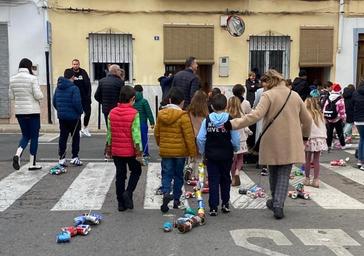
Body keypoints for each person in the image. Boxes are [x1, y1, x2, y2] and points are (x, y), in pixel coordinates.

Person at [224, 69, 312, 219]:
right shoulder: (295, 95)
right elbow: (308, 120)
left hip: (272, 140)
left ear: (270, 81)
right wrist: (304, 137)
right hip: (291, 140)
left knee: (273, 171)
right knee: (284, 172)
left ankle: (275, 200)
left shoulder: (268, 95)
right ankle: (278, 204)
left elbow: (254, 116)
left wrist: (232, 124)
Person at [154, 87, 197, 213]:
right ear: (182, 102)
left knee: (166, 174)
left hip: (166, 152)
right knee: (178, 176)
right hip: (180, 153)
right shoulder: (183, 116)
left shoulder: (161, 114)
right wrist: (192, 152)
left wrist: (161, 144)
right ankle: (177, 200)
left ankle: (166, 192)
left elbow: (157, 133)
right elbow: (189, 136)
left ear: (170, 100)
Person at [197, 94, 240, 216]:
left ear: (211, 106)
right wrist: (235, 149)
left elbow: (200, 138)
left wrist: (203, 151)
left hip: (211, 155)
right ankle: (225, 203)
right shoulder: (230, 119)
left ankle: (213, 206)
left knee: (213, 179)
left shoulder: (207, 120)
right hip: (226, 154)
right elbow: (236, 138)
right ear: (226, 106)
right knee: (225, 178)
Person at [106, 85, 143, 211]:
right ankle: (128, 192)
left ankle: (120, 203)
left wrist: (108, 149)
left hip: (117, 151)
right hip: (131, 151)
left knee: (120, 175)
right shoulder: (134, 113)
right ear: (132, 99)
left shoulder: (112, 112)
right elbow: (136, 135)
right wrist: (139, 152)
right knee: (136, 171)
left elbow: (109, 133)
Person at [9, 58, 43, 170]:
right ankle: (32, 163)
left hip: (20, 112)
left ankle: (17, 155)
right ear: (28, 66)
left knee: (25, 135)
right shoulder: (33, 78)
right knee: (34, 137)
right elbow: (39, 95)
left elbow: (11, 97)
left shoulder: (12, 79)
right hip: (32, 111)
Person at [53, 69, 84, 167]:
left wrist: (60, 110)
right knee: (75, 137)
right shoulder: (74, 88)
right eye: (74, 77)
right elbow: (77, 103)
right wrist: (80, 111)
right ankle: (74, 157)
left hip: (62, 117)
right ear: (71, 77)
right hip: (74, 117)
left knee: (63, 137)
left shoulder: (58, 88)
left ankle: (61, 158)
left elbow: (54, 102)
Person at [303, 89, 327, 188]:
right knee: (316, 160)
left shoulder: (306, 115)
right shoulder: (320, 114)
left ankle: (307, 178)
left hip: (309, 138)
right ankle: (316, 180)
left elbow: (304, 127)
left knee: (307, 159)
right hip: (320, 138)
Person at [227, 96, 251, 186]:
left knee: (232, 160)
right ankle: (237, 171)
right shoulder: (241, 114)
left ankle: (233, 177)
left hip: (231, 141)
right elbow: (246, 127)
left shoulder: (227, 114)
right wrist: (249, 132)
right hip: (242, 140)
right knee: (240, 158)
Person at [64, 59, 92, 137]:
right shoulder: (69, 73)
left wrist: (88, 96)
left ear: (79, 64)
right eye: (74, 64)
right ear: (72, 65)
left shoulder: (83, 72)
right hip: (75, 97)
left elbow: (88, 85)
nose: (75, 65)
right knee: (77, 114)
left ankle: (85, 128)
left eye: (77, 64)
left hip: (84, 97)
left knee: (88, 112)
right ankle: (78, 130)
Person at [187, 90, 209, 179]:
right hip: (202, 137)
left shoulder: (189, 112)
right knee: (201, 158)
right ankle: (200, 176)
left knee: (193, 158)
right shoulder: (206, 113)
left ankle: (192, 174)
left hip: (192, 136)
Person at [133, 84, 155, 158]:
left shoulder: (132, 101)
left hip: (134, 123)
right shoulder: (144, 101)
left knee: (136, 138)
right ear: (142, 92)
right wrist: (152, 123)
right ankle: (145, 153)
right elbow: (149, 112)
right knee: (144, 138)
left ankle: (136, 152)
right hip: (142, 123)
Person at [323, 83, 346, 151]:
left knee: (329, 132)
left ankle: (328, 145)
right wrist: (343, 117)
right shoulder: (340, 99)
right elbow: (342, 110)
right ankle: (342, 145)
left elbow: (325, 107)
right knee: (340, 132)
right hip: (337, 118)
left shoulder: (328, 97)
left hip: (329, 117)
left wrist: (325, 116)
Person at [352, 80, 364, 170]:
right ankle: (363, 162)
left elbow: (352, 105)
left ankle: (360, 160)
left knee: (362, 139)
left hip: (357, 120)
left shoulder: (355, 93)